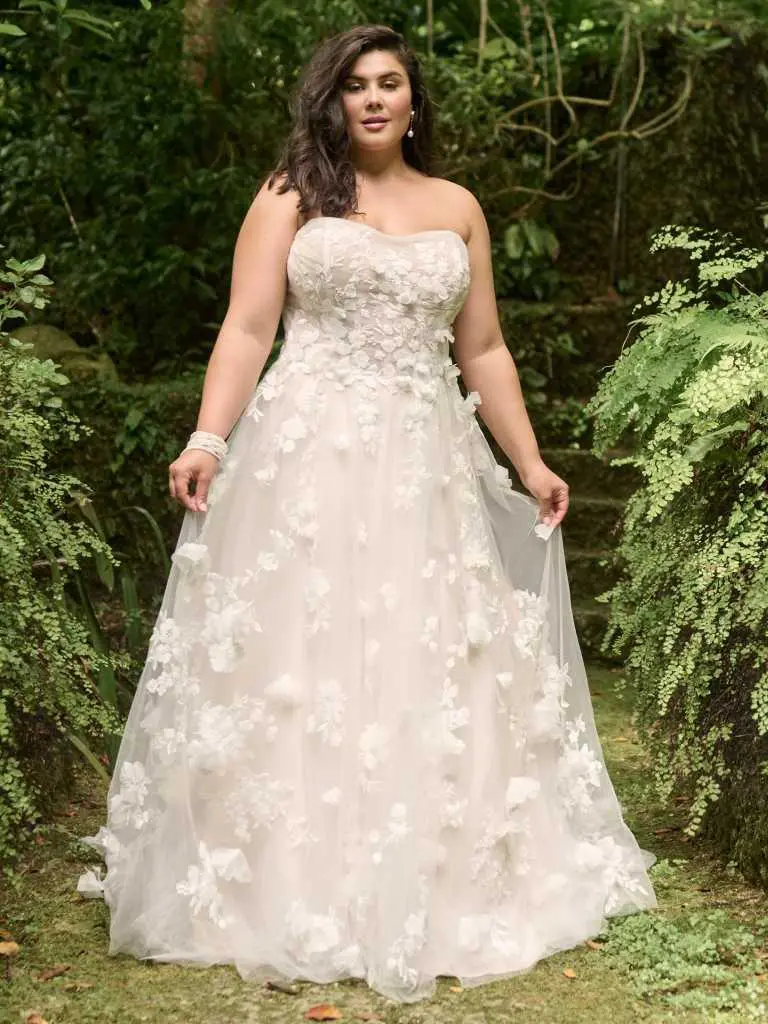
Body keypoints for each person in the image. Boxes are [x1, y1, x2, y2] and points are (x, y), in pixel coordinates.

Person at [78, 22, 657, 1005]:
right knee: (305, 654)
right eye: (356, 85)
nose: (376, 98)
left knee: (423, 645)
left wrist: (530, 458)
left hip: (425, 462)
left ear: (414, 101)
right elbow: (249, 326)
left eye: (391, 82)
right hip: (307, 457)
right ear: (332, 101)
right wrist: (208, 439)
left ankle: (437, 863)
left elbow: (484, 352)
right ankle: (287, 872)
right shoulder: (291, 198)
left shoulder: (457, 208)